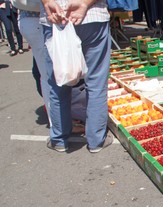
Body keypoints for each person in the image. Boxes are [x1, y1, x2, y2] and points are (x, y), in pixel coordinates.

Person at [40, 0, 112, 153]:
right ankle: (96, 140)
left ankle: (59, 139)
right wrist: (85, 3)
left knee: (58, 83)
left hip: (55, 18)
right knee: (96, 83)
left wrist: (47, 2)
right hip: (93, 17)